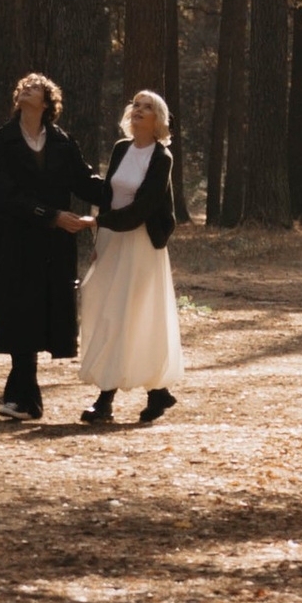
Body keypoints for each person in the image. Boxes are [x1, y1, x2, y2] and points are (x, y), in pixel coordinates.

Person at [0, 69, 95, 419]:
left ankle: (24, 400)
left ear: (47, 102)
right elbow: (4, 195)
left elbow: (86, 183)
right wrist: (52, 215)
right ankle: (24, 399)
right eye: (23, 88)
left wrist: (128, 188)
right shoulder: (0, 140)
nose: (25, 91)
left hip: (52, 248)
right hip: (13, 241)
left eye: (34, 88)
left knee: (41, 313)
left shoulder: (62, 142)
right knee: (18, 312)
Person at [76, 88, 183, 427]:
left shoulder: (162, 157)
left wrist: (98, 221)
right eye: (135, 105)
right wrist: (99, 235)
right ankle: (158, 393)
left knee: (130, 315)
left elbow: (143, 208)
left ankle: (106, 400)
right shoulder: (122, 149)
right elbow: (109, 195)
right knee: (107, 310)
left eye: (146, 107)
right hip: (111, 238)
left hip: (140, 244)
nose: (138, 110)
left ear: (158, 119)